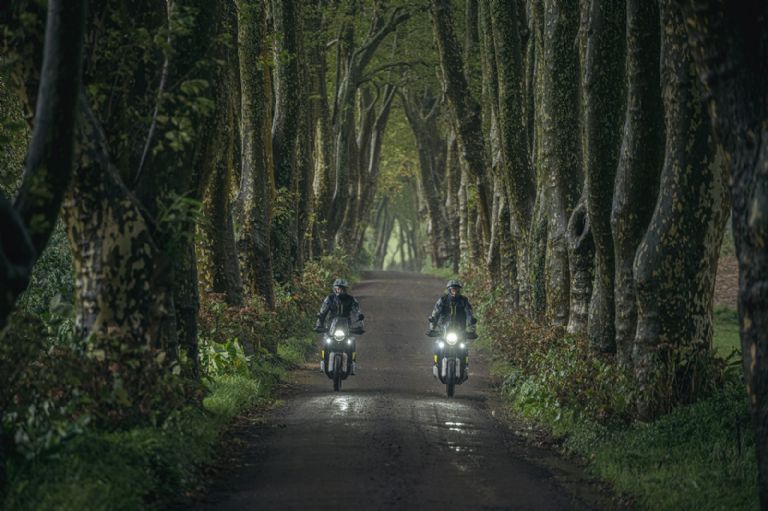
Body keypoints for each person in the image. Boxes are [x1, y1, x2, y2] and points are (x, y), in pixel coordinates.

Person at [427, 280, 477, 378]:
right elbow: (436, 313)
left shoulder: (464, 301)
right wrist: (432, 327)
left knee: (464, 348)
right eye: (453, 289)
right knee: (438, 346)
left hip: (460, 331)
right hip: (443, 330)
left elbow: (469, 313)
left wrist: (472, 325)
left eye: (457, 289)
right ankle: (436, 364)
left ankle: (465, 367)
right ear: (449, 290)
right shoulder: (443, 300)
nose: (455, 291)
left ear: (459, 290)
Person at [314, 278, 363, 374]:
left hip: (346, 327)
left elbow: (356, 312)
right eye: (337, 288)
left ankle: (352, 364)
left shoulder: (351, 299)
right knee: (325, 340)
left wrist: (359, 323)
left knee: (352, 342)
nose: (338, 290)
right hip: (331, 326)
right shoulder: (329, 299)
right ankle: (323, 362)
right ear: (334, 288)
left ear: (345, 289)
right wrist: (319, 324)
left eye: (341, 288)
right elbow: (322, 312)